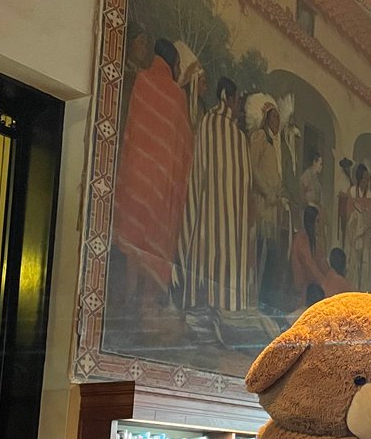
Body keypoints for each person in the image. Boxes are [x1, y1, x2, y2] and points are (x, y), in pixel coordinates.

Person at [113, 37, 194, 309]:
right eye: (178, 64)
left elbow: (131, 129)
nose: (179, 69)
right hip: (160, 184)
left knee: (134, 239)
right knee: (154, 242)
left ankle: (129, 296)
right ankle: (145, 302)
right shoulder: (177, 95)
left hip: (136, 177)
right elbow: (184, 145)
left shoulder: (142, 80)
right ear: (172, 62)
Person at [176, 76, 255, 316]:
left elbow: (200, 171)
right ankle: (221, 305)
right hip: (226, 219)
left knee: (208, 254)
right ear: (228, 99)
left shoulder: (208, 124)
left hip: (208, 214)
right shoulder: (236, 136)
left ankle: (206, 306)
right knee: (222, 255)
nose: (238, 106)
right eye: (237, 100)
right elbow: (245, 183)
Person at [246, 94, 286, 310]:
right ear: (266, 119)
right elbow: (252, 167)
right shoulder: (260, 137)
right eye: (274, 117)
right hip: (261, 205)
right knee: (259, 251)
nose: (277, 122)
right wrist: (267, 191)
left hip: (272, 208)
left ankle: (265, 300)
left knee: (269, 253)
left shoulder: (275, 143)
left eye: (279, 118)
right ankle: (255, 298)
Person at [289, 205, 346, 304]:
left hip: (315, 286)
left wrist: (335, 279)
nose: (320, 225)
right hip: (304, 291)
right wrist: (325, 284)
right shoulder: (301, 239)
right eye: (317, 221)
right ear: (311, 222)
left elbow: (322, 263)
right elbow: (310, 265)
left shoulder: (314, 241)